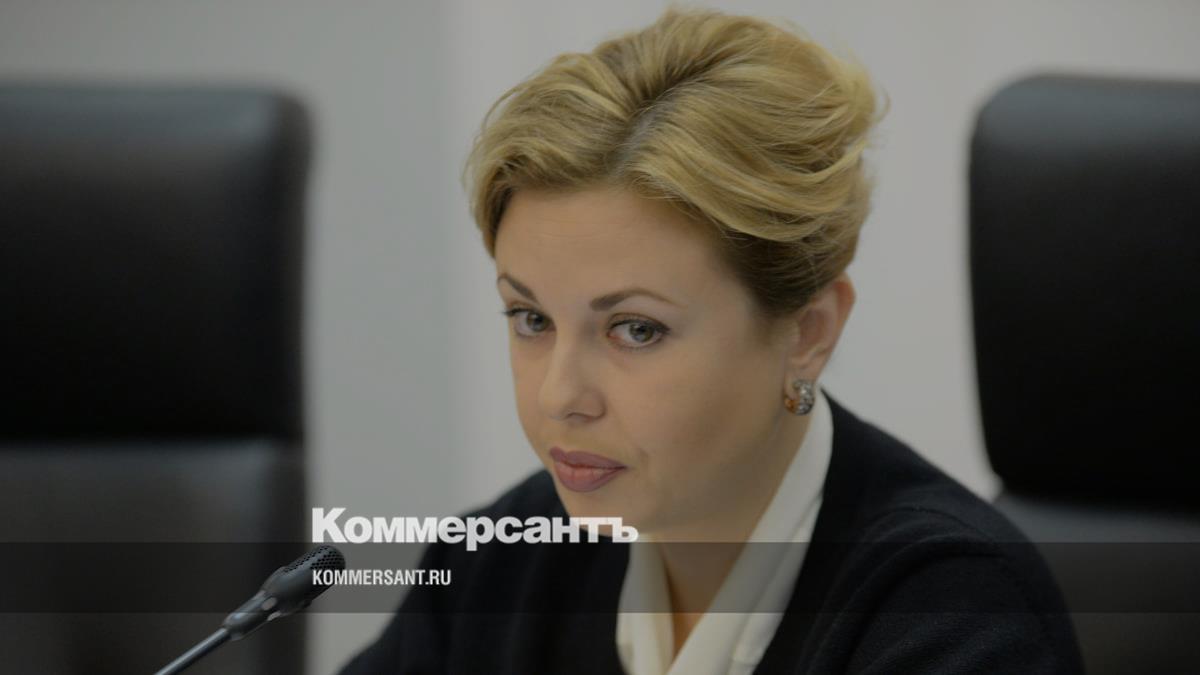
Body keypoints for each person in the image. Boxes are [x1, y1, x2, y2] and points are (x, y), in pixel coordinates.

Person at [339, 7, 1083, 674]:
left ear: (808, 333)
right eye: (531, 319)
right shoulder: (505, 560)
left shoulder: (954, 614)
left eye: (636, 329)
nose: (559, 396)